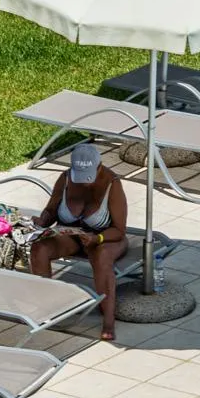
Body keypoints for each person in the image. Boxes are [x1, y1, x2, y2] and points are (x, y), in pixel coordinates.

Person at [30, 143, 128, 341]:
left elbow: (119, 229)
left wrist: (97, 238)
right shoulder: (65, 179)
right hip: (73, 236)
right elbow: (51, 210)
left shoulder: (112, 184)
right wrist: (41, 221)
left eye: (88, 177)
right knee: (39, 248)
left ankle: (108, 320)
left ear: (99, 167)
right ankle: (46, 307)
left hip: (106, 237)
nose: (84, 183)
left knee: (102, 257)